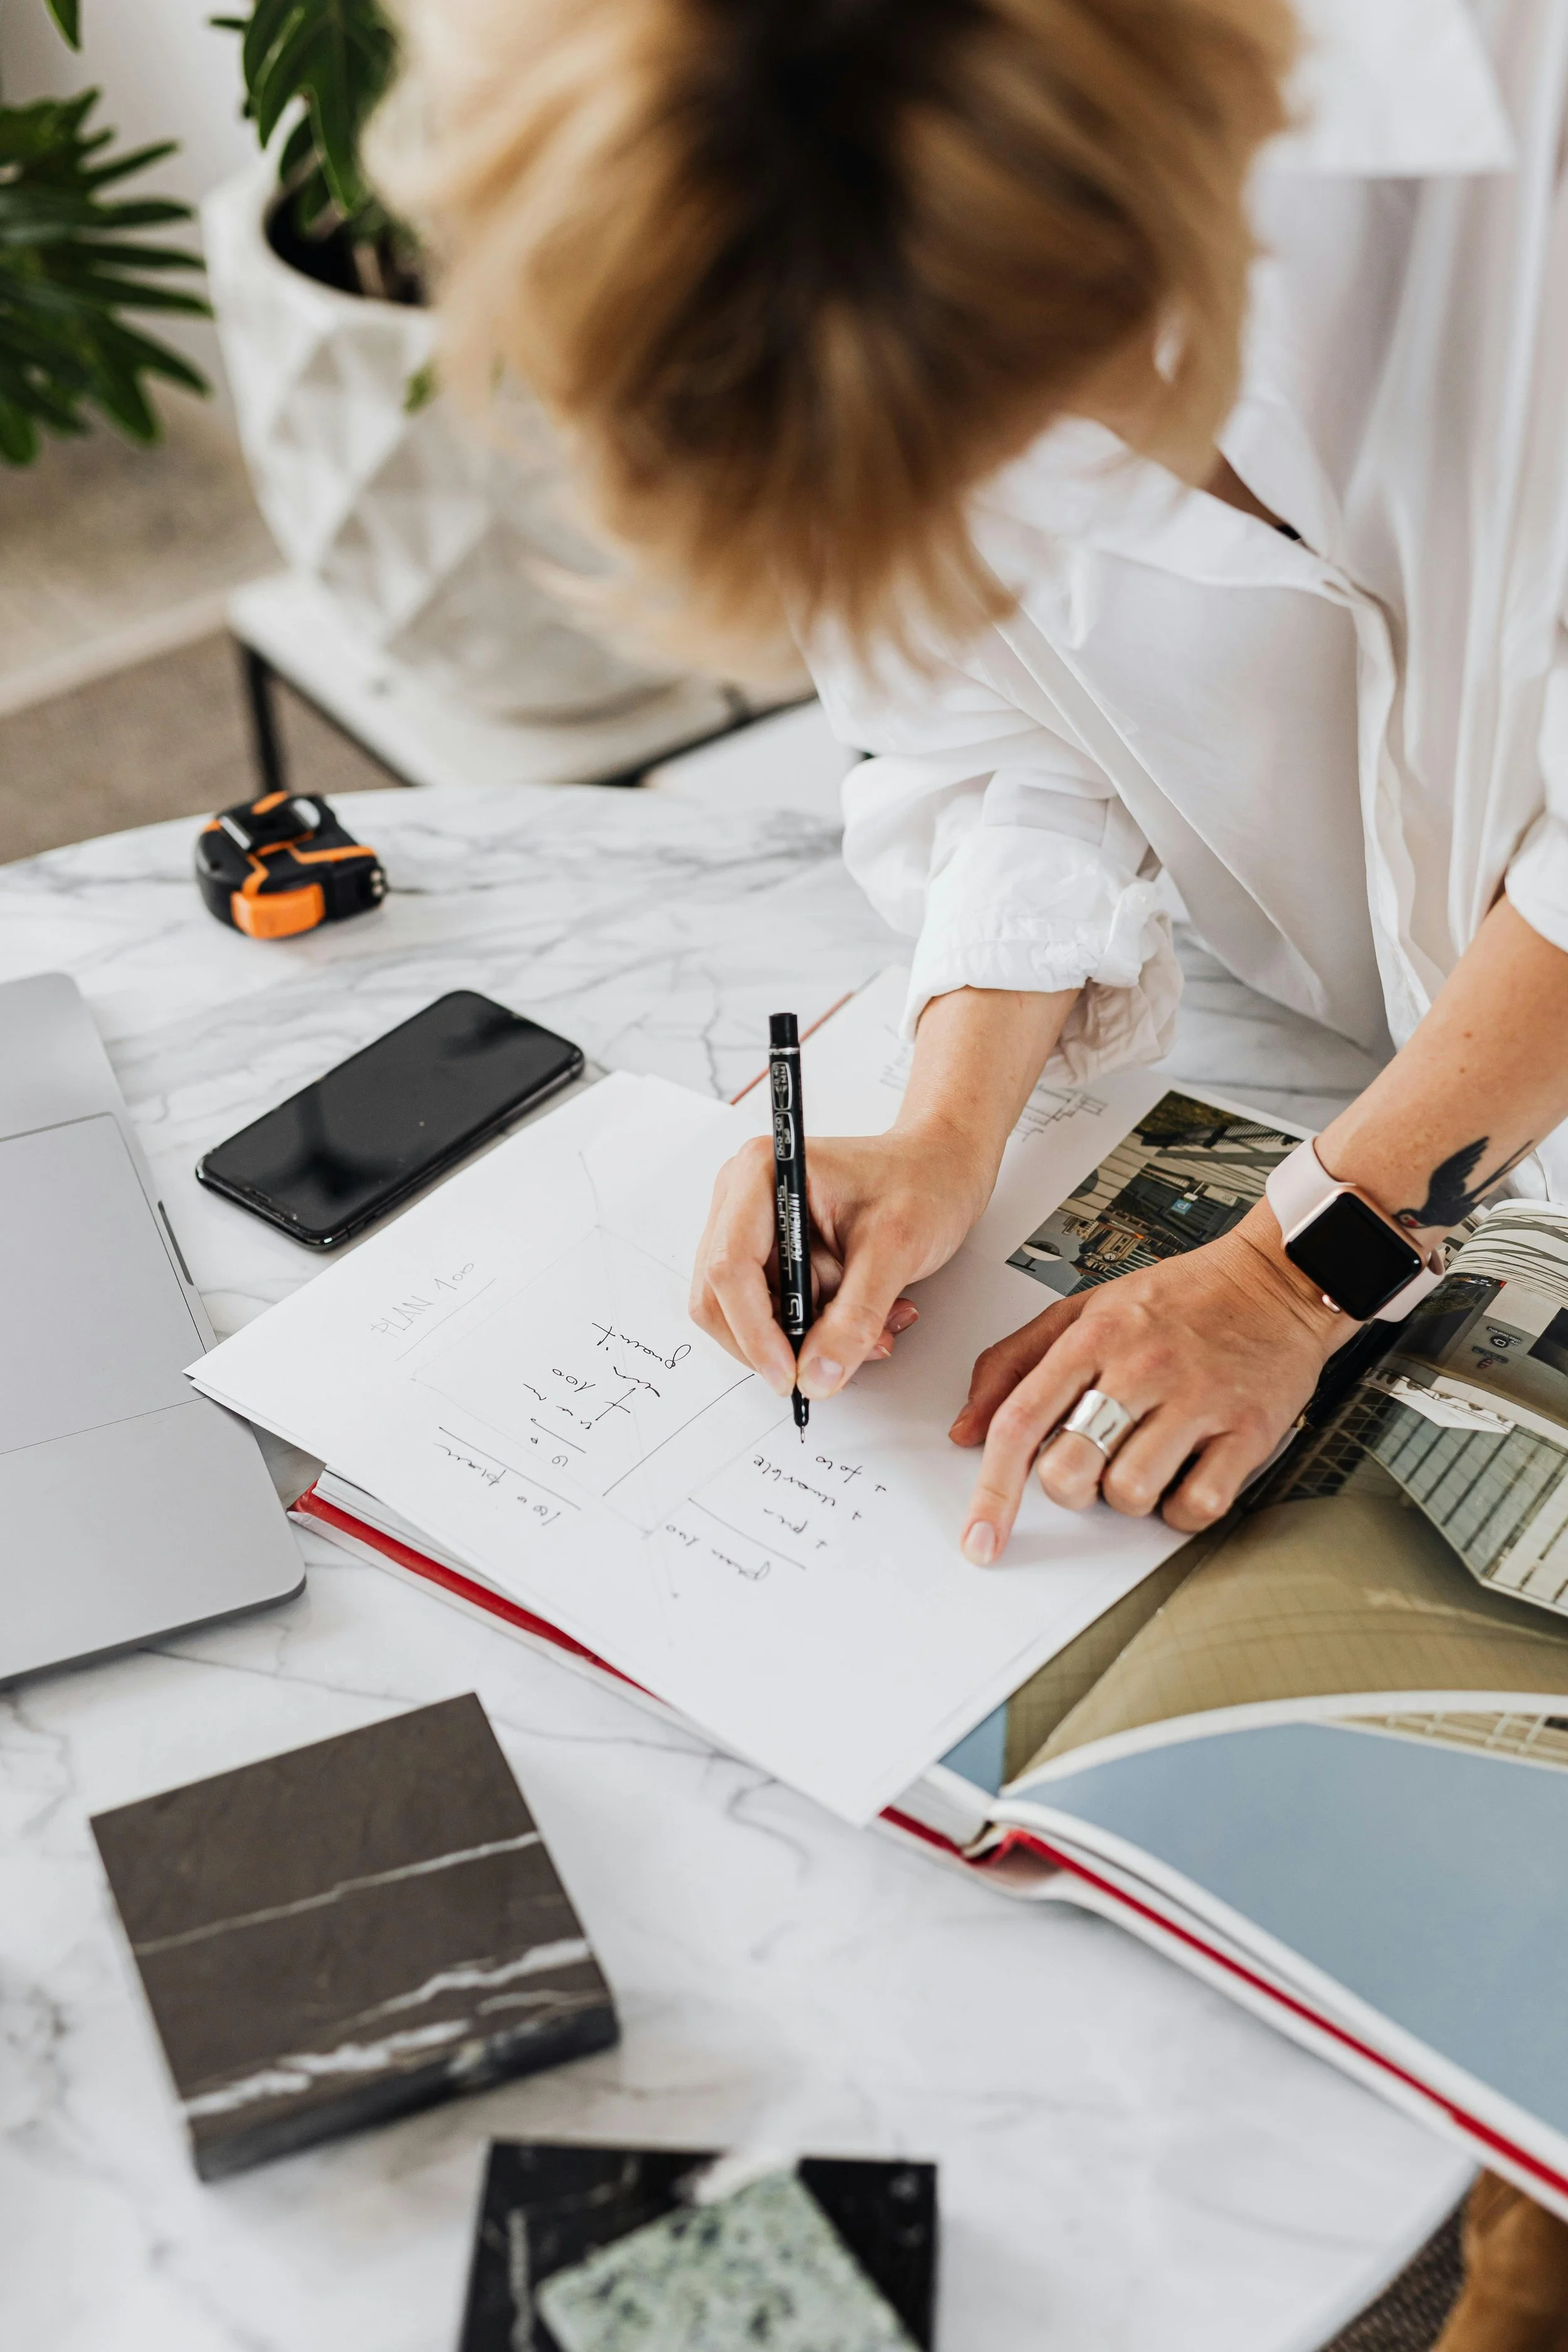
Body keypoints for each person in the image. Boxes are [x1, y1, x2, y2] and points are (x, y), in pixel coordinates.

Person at [377, 0, 1568, 2332]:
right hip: (1347, 1044)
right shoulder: (785, 222)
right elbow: (991, 718)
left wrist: (1296, 1261)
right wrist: (948, 1105)